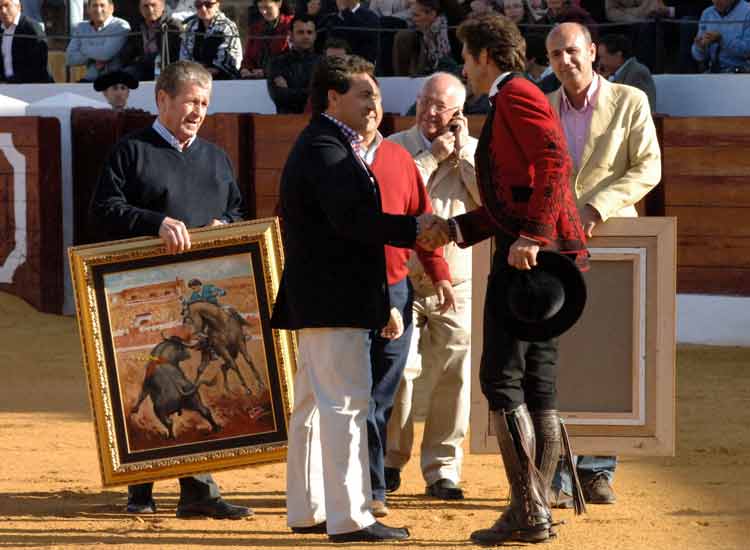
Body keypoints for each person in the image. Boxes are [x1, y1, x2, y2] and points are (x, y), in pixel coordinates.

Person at [419, 13, 589, 545]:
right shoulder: (515, 95)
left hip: (529, 261)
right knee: (537, 382)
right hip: (541, 258)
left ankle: (530, 510)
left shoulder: (514, 95)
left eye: (466, 57)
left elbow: (556, 161)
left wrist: (533, 237)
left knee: (501, 379)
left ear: (485, 56)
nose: (464, 68)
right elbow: (510, 198)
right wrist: (453, 228)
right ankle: (533, 506)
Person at [271, 54, 439, 543]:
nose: (375, 105)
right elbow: (352, 222)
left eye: (377, 95)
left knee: (311, 405)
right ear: (332, 98)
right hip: (335, 298)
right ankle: (350, 518)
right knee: (345, 404)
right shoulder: (328, 148)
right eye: (364, 94)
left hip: (323, 297)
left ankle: (308, 509)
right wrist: (413, 229)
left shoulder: (325, 144)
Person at [90, 60, 251, 520]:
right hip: (143, 289)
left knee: (191, 384)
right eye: (190, 101)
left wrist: (227, 227)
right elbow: (103, 209)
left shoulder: (216, 158)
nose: (198, 110)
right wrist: (154, 223)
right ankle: (140, 486)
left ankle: (198, 490)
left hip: (200, 295)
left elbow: (239, 211)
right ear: (163, 100)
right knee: (143, 379)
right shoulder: (131, 151)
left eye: (204, 103)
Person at [545, 21, 661, 508]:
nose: (564, 61)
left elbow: (648, 166)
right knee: (557, 356)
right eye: (554, 55)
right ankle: (558, 470)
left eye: (572, 51)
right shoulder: (542, 106)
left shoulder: (630, 100)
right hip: (553, 244)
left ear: (592, 51)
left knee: (607, 355)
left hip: (611, 238)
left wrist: (597, 207)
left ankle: (596, 470)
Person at [360, 76, 455, 518]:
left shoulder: (396, 156)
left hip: (398, 286)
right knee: (358, 393)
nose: (370, 109)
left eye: (375, 101)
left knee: (381, 390)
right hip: (353, 287)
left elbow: (422, 221)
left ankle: (375, 483)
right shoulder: (377, 153)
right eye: (424, 103)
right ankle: (367, 478)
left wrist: (439, 272)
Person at [384, 72, 479, 502]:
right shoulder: (397, 147)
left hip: (454, 281)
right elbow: (393, 196)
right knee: (399, 372)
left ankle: (443, 468)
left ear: (458, 113)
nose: (428, 112)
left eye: (439, 106)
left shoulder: (475, 154)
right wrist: (433, 158)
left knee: (454, 376)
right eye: (424, 102)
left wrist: (458, 158)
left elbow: (490, 203)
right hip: (403, 278)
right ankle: (389, 459)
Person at [266, 14, 321, 113]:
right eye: (300, 32)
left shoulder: (322, 63)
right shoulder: (277, 63)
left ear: (315, 35)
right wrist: (309, 92)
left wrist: (289, 91)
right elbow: (279, 97)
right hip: (285, 122)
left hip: (316, 122)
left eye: (309, 32)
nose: (306, 36)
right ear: (290, 35)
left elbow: (321, 97)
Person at [66, 0, 131, 82]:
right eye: (94, 6)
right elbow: (70, 58)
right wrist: (93, 57)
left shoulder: (120, 26)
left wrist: (83, 48)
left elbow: (105, 54)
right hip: (89, 79)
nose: (98, 10)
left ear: (111, 8)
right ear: (88, 9)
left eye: (102, 5)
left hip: (115, 80)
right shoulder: (81, 27)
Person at [121, 0, 183, 81]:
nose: (150, 10)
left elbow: (177, 54)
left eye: (153, 5)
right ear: (140, 9)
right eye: (146, 6)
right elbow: (128, 53)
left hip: (166, 66)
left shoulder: (173, 25)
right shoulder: (136, 26)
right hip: (142, 65)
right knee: (124, 75)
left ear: (162, 6)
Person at [180, 0, 242, 79]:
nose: (203, 8)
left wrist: (199, 71)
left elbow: (228, 64)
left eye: (208, 4)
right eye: (198, 5)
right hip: (193, 78)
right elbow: (184, 58)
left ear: (217, 5)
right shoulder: (190, 26)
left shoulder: (227, 27)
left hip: (222, 80)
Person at [392, 0, 453, 76]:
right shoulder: (420, 32)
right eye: (412, 15)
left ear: (432, 14)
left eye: (416, 15)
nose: (413, 19)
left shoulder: (446, 32)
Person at [597, 33, 656, 110]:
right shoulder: (618, 74)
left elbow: (620, 106)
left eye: (602, 57)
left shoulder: (637, 73)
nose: (600, 63)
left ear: (618, 56)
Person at [0, 0, 53, 83]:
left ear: (18, 7)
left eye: (7, 5)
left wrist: (12, 82)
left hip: (33, 87)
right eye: (0, 7)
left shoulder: (31, 28)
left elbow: (38, 65)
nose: (3, 11)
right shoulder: (1, 31)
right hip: (6, 88)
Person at [691, 0, 750, 73]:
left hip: (740, 74)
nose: (716, 1)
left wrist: (722, 40)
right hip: (712, 73)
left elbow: (747, 51)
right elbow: (698, 57)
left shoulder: (748, 11)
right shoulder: (707, 13)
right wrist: (700, 47)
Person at [241, 0, 292, 79]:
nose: (263, 12)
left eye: (268, 8)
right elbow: (248, 55)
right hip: (256, 80)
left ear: (279, 4)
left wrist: (267, 71)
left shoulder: (291, 25)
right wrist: (245, 69)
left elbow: (292, 59)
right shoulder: (255, 28)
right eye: (260, 8)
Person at [319, 0, 380, 65]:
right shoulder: (330, 17)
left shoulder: (371, 17)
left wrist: (345, 12)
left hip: (359, 67)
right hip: (331, 67)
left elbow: (361, 38)